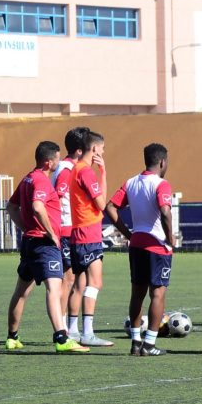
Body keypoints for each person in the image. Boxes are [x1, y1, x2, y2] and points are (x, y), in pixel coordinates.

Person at [4, 141, 89, 353]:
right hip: (44, 244)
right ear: (48, 162)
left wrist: (26, 228)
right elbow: (37, 206)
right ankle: (61, 338)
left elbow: (11, 207)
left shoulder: (27, 178)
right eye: (57, 159)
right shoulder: (41, 180)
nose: (59, 162)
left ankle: (12, 337)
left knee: (21, 292)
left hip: (30, 242)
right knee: (54, 289)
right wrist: (51, 233)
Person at [105, 143, 177, 356]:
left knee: (137, 294)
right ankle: (149, 344)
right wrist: (170, 238)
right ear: (162, 162)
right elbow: (165, 212)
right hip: (157, 245)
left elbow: (110, 207)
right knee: (158, 294)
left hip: (137, 244)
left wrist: (128, 234)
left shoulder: (131, 182)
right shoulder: (161, 184)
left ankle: (136, 342)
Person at [68, 129, 114, 347]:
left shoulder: (76, 169)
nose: (103, 152)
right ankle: (87, 333)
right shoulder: (85, 172)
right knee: (95, 282)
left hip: (78, 232)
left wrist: (102, 171)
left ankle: (72, 330)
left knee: (80, 283)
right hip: (88, 233)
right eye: (102, 148)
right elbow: (101, 203)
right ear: (94, 148)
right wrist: (103, 173)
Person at [51, 126, 90, 340]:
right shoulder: (67, 170)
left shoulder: (68, 167)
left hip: (69, 230)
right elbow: (57, 198)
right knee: (67, 280)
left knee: (73, 279)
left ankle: (69, 327)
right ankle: (63, 328)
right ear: (79, 150)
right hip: (65, 230)